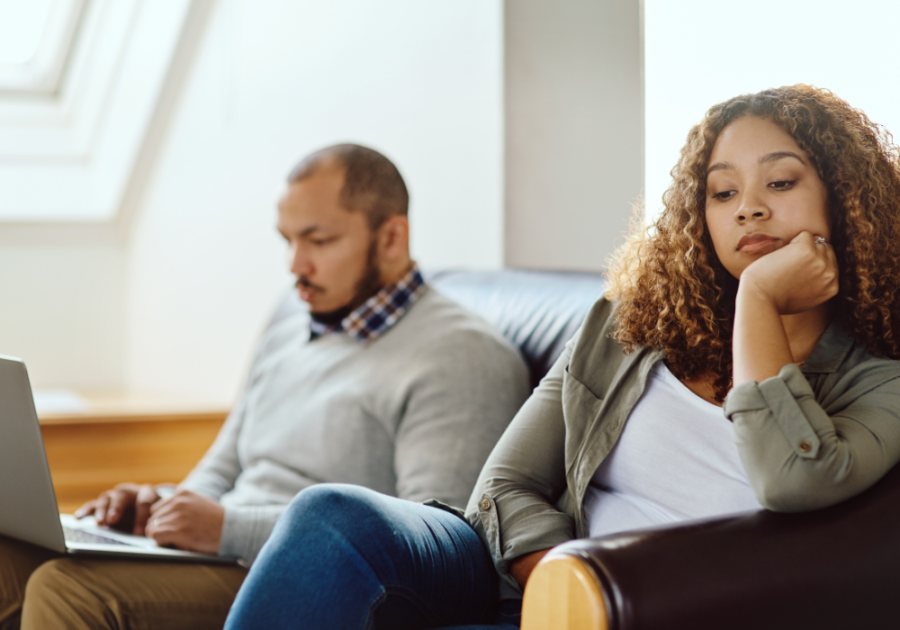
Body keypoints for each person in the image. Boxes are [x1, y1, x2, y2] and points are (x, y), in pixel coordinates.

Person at [223, 85, 900, 630]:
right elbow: (502, 486)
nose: (748, 210)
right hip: (538, 585)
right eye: (722, 192)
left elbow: (793, 482)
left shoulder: (883, 370)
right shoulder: (633, 320)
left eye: (780, 183)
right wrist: (558, 585)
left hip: (664, 606)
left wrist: (757, 301)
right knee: (331, 517)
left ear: (845, 199)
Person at [0, 144, 530, 630]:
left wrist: (227, 529)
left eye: (319, 241)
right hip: (217, 551)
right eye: (289, 240)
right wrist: (158, 507)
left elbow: (429, 548)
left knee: (67, 590)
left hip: (288, 577)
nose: (296, 266)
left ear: (392, 236)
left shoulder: (462, 354)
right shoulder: (291, 328)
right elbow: (225, 464)